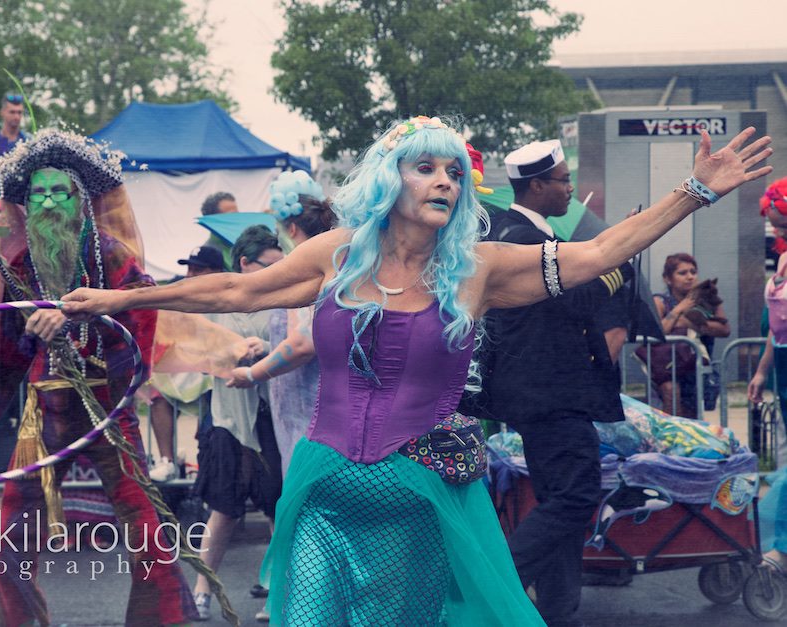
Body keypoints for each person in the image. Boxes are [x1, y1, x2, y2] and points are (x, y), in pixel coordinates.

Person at [61, 115, 771, 625]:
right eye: (425, 165)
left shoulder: (479, 269)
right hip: (323, 490)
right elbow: (235, 290)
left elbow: (594, 255)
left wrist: (695, 192)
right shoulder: (339, 253)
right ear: (387, 177)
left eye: (455, 170)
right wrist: (124, 296)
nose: (443, 179)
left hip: (422, 499)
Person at [0, 130, 197, 626]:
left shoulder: (111, 254)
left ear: (79, 199)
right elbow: (2, 353)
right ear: (25, 204)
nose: (48, 201)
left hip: (105, 407)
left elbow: (141, 317)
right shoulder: (20, 263)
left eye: (59, 191)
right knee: (8, 537)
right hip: (43, 410)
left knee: (147, 528)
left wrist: (76, 319)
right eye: (38, 193)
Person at [479, 139, 635, 626]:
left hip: (547, 395)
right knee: (576, 496)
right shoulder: (522, 239)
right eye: (563, 180)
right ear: (537, 185)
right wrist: (619, 261)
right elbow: (580, 297)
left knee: (560, 505)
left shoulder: (531, 235)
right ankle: (495, 587)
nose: (571, 188)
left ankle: (558, 613)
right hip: (551, 397)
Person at [191, 224, 281, 621]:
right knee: (224, 508)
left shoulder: (282, 298)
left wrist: (268, 350)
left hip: (270, 415)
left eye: (281, 265)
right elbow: (195, 353)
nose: (277, 272)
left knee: (280, 506)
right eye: (268, 265)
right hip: (227, 416)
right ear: (244, 263)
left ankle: (279, 593)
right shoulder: (216, 301)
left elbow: (297, 347)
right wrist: (232, 351)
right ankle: (201, 590)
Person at [227, 170, 336, 477]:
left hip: (312, 416)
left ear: (289, 227)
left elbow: (304, 343)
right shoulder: (329, 260)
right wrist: (266, 346)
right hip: (304, 413)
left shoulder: (308, 267)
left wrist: (252, 373)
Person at [147, 244, 227, 482]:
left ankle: (208, 466)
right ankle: (168, 461)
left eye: (198, 270)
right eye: (189, 269)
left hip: (219, 374)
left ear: (217, 272)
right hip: (188, 369)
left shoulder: (231, 297)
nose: (190, 275)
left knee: (213, 409)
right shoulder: (177, 293)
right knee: (156, 392)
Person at [748, 176, 787, 573]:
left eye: (785, 225)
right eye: (773, 222)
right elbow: (778, 330)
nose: (777, 231)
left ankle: (784, 550)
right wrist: (762, 371)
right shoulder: (782, 258)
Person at [651, 252, 730, 418]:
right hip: (667, 368)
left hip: (696, 368)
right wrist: (681, 308)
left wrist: (690, 323)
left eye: (693, 272)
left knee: (692, 415)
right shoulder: (660, 301)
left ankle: (686, 443)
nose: (690, 277)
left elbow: (724, 329)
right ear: (668, 278)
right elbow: (658, 331)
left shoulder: (708, 298)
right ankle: (672, 441)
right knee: (671, 399)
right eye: (682, 273)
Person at [200, 191, 238, 271]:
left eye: (238, 214)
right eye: (232, 215)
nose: (238, 218)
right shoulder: (208, 252)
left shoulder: (240, 241)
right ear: (214, 220)